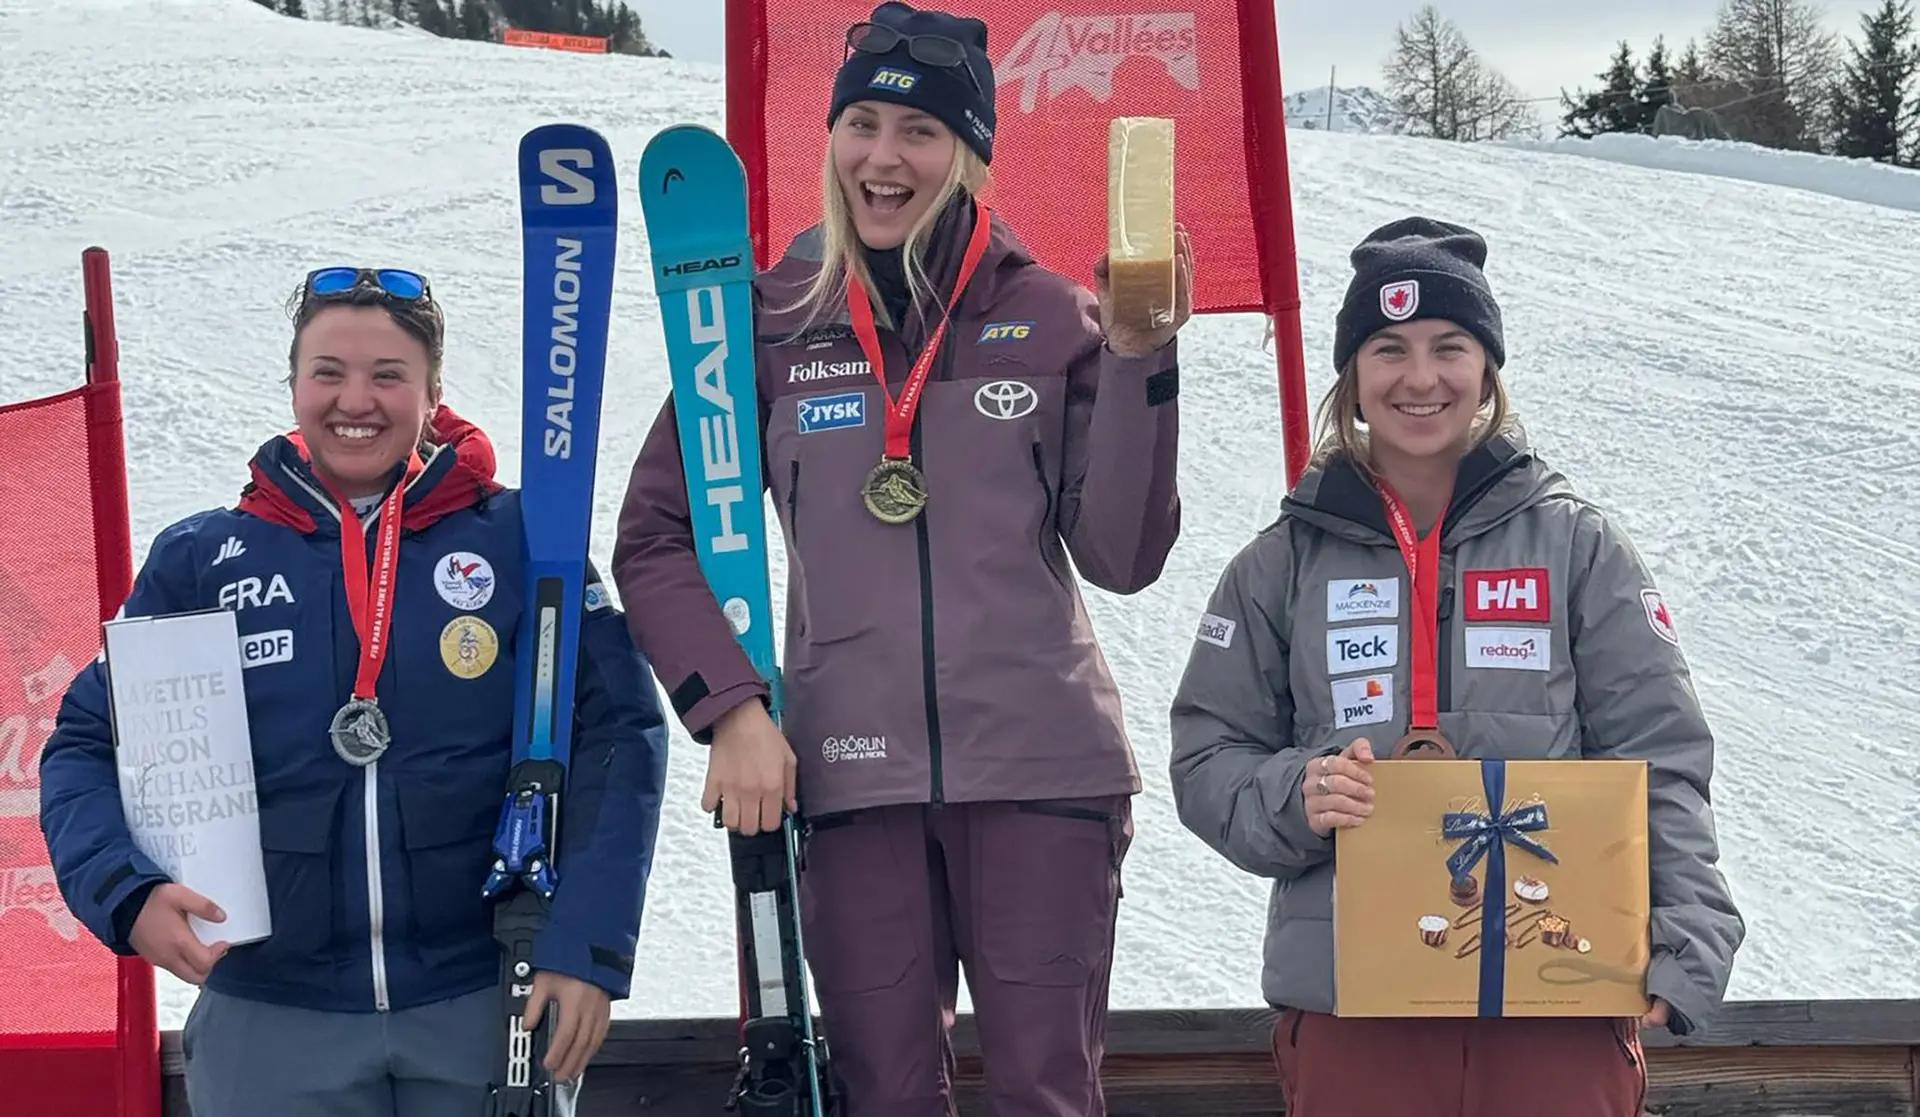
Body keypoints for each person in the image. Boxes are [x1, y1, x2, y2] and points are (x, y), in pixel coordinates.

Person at [614, 4, 1193, 1112]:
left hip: (1042, 774)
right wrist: (732, 708)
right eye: (864, 124)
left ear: (970, 155)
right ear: (831, 137)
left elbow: (1123, 554)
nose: (886, 158)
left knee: (1042, 1092)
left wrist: (1137, 359)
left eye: (921, 132)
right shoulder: (763, 323)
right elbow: (655, 536)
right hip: (847, 775)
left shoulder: (1056, 316)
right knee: (882, 1096)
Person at [39, 267, 670, 1117]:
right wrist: (127, 891)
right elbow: (83, 742)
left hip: (482, 999)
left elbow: (619, 732)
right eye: (328, 371)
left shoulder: (523, 538)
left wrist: (585, 944)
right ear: (295, 384)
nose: (355, 400)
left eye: (387, 375)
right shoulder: (205, 560)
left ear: (431, 390)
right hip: (272, 1011)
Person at [1167, 218, 1743, 1117]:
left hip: (1559, 992)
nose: (1421, 377)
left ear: (1488, 370)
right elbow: (1207, 757)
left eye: (1450, 346)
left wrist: (1689, 942)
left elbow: (1662, 756)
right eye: (1388, 348)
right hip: (1357, 1001)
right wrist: (1298, 792)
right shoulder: (1281, 564)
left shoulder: (1577, 548)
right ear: (1352, 375)